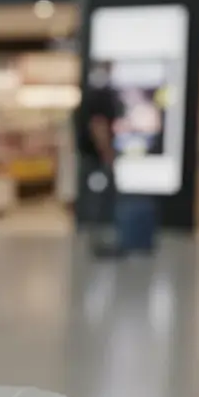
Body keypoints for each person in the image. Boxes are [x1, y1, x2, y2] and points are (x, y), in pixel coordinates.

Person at [74, 61, 121, 253]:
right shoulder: (101, 96)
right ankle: (101, 240)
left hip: (88, 157)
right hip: (97, 159)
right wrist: (108, 154)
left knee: (92, 198)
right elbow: (98, 126)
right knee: (100, 200)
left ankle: (94, 237)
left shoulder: (88, 94)